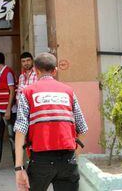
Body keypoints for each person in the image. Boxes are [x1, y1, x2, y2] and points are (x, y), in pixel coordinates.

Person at [14, 53, 88, 191]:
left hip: (40, 161)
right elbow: (83, 128)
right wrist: (73, 156)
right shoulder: (68, 92)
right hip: (67, 160)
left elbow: (20, 131)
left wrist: (19, 168)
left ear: (36, 71)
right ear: (55, 71)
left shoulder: (28, 92)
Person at [0, 52, 16, 172]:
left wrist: (8, 109)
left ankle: (18, 164)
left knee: (12, 138)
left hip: (7, 111)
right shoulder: (0, 73)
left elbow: (12, 91)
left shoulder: (8, 72)